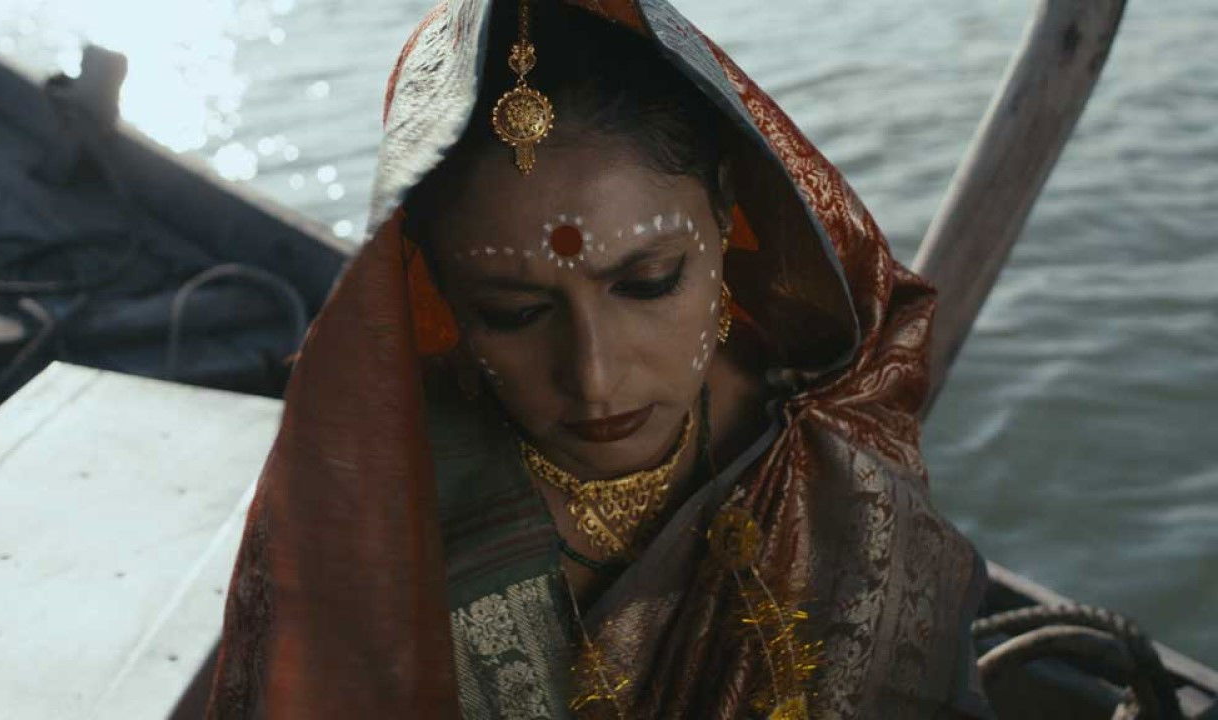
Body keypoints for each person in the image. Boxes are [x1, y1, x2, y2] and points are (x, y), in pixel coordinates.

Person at [206, 1, 993, 718]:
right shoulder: (368, 528)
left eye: (647, 283)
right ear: (435, 288)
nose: (593, 376)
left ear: (726, 211)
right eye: (512, 314)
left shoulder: (825, 431)